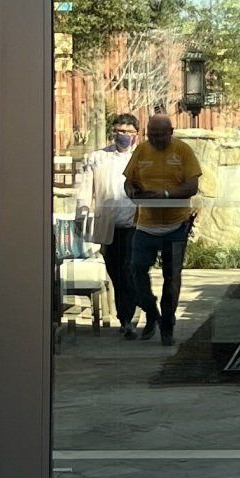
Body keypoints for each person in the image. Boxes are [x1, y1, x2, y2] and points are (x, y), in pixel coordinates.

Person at [124, 108, 202, 343]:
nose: (156, 140)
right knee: (135, 270)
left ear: (171, 132)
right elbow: (129, 181)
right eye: (152, 135)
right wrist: (133, 193)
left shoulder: (183, 151)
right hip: (146, 225)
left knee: (172, 277)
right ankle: (151, 310)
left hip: (175, 225)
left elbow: (192, 187)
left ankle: (167, 325)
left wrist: (166, 194)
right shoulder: (141, 150)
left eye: (161, 135)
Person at [74, 112, 142, 335]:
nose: (122, 135)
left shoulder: (142, 158)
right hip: (109, 226)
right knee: (116, 272)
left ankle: (129, 318)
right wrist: (81, 214)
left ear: (136, 134)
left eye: (127, 132)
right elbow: (86, 189)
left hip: (135, 224)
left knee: (130, 269)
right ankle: (126, 317)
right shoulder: (97, 158)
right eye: (119, 131)